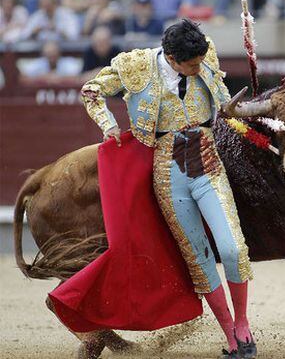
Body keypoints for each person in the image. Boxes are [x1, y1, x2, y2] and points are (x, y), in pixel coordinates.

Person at [81, 19, 257, 359]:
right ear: (172, 58)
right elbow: (91, 90)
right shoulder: (135, 66)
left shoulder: (203, 54)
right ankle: (230, 337)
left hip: (206, 160)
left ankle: (243, 321)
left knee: (233, 248)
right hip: (167, 170)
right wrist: (108, 125)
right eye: (191, 65)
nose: (198, 69)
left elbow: (225, 105)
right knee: (198, 257)